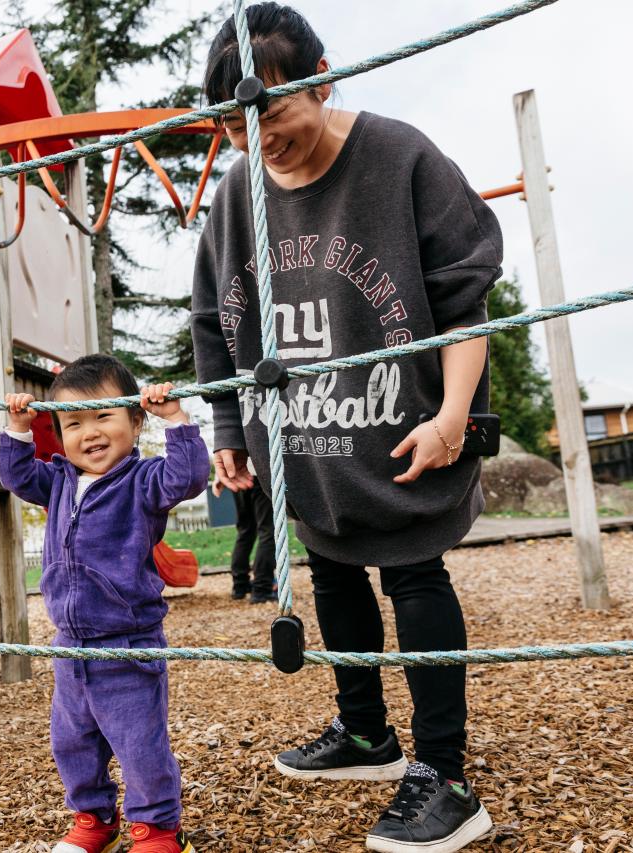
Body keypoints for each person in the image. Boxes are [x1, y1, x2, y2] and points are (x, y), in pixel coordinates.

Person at [190, 5, 503, 852]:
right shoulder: (235, 195)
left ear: (322, 78)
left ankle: (445, 775)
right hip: (300, 439)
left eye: (271, 111)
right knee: (330, 569)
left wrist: (452, 415)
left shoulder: (397, 155)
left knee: (412, 574)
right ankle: (365, 732)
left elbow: (462, 295)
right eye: (232, 123)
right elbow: (214, 323)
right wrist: (227, 422)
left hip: (403, 428)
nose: (257, 138)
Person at [0, 353, 210, 853]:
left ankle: (156, 828)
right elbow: (16, 476)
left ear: (134, 421)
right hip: (69, 646)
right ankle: (95, 820)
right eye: (73, 423)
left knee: (140, 745)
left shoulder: (143, 482)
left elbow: (190, 477)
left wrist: (176, 421)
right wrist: (18, 429)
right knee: (73, 744)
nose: (89, 432)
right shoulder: (59, 480)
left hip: (128, 642)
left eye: (103, 416)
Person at [217, 459, 277, 602]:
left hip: (236, 473)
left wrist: (220, 475)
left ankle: (240, 585)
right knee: (267, 531)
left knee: (245, 530)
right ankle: (262, 588)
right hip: (260, 471)